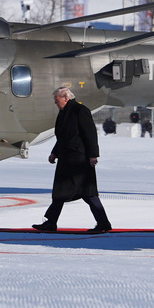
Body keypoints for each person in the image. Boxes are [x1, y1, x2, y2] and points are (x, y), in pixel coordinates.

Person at [32, 86, 112, 234]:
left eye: (57, 100)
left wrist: (93, 155)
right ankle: (51, 222)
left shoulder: (80, 111)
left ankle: (103, 223)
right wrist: (54, 153)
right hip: (66, 158)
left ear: (66, 98)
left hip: (79, 160)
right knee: (60, 193)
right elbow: (63, 136)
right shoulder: (64, 113)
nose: (56, 103)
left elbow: (90, 134)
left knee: (88, 193)